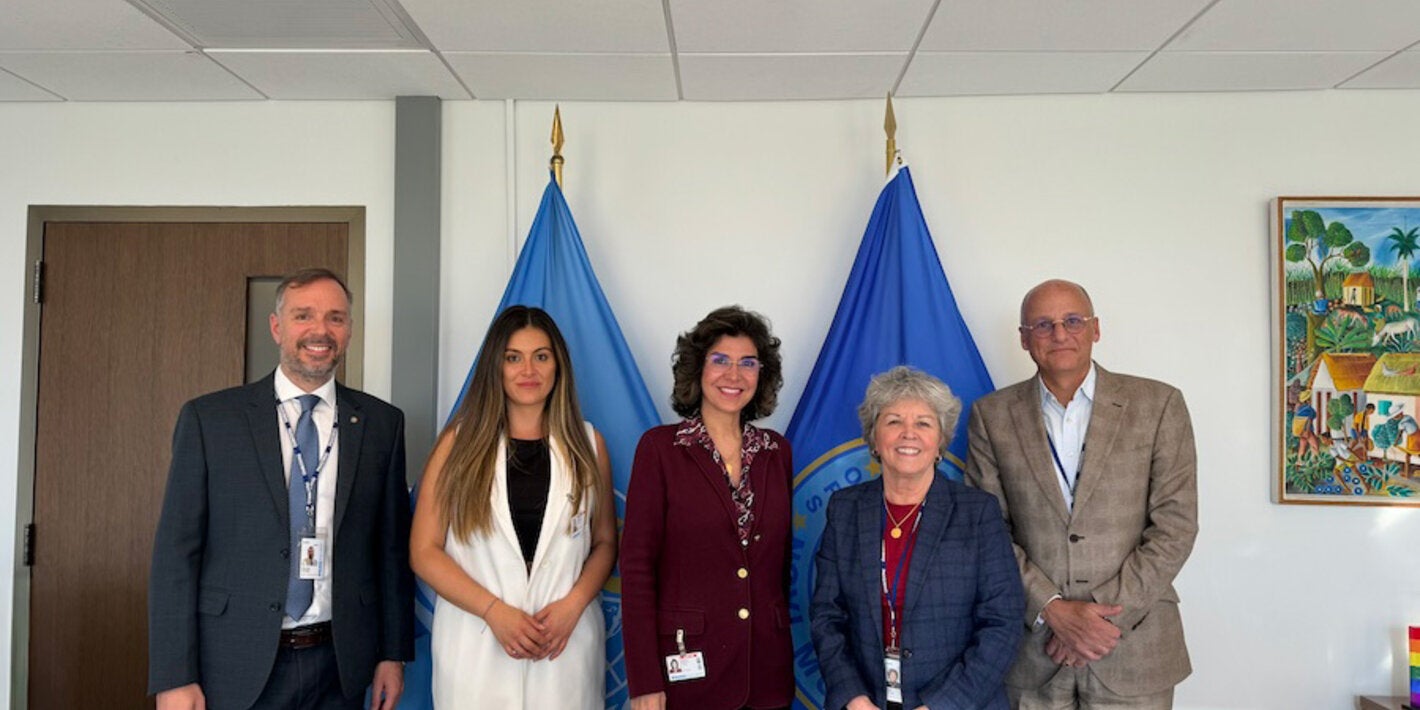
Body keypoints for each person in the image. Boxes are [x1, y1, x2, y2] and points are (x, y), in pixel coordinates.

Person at [149, 268, 414, 710]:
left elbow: (389, 551)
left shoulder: (382, 424)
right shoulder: (211, 420)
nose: (320, 331)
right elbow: (176, 555)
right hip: (234, 663)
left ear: (349, 329)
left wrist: (393, 653)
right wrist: (175, 675)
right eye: (303, 316)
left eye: (335, 318)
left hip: (342, 664)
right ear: (277, 327)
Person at [965, 279, 1197, 709]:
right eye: (1042, 324)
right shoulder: (991, 415)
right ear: (1023, 339)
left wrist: (1095, 621)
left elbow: (1176, 526)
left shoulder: (1159, 405)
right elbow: (987, 532)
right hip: (1032, 654)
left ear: (1095, 329)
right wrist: (1052, 610)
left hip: (1134, 649)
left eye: (1073, 320)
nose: (1059, 334)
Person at [409, 306, 616, 708]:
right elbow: (423, 551)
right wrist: (493, 612)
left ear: (558, 366)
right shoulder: (458, 443)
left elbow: (605, 542)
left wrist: (573, 607)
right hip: (478, 648)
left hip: (565, 649)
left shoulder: (589, 444)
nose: (528, 370)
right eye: (512, 357)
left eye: (541, 356)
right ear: (495, 367)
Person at [812, 367, 1024, 710]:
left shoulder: (978, 512)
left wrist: (942, 705)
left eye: (924, 423)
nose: (908, 434)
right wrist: (853, 697)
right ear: (874, 438)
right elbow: (827, 616)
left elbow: (1003, 623)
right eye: (893, 421)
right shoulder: (845, 509)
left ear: (940, 441)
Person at [621, 306, 795, 710]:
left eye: (747, 363)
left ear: (761, 375)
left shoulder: (776, 452)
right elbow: (636, 569)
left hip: (767, 674)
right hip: (685, 677)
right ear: (697, 370)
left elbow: (779, 567)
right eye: (720, 361)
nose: (733, 375)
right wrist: (644, 680)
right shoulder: (660, 449)